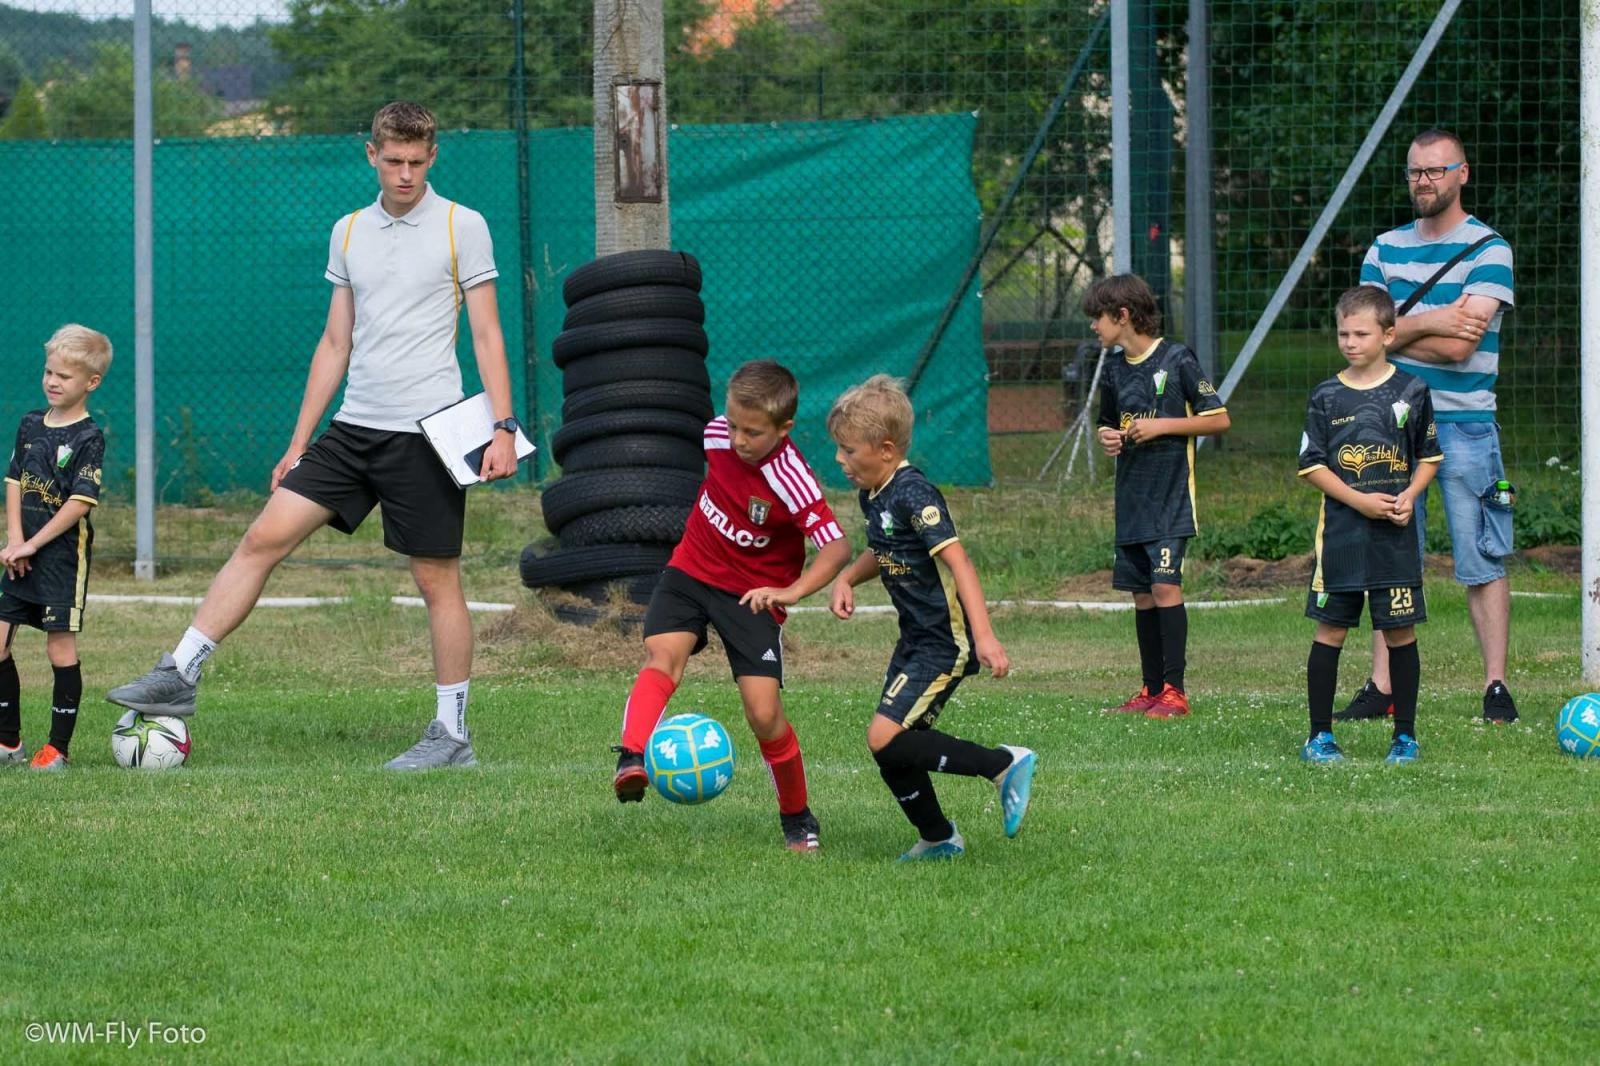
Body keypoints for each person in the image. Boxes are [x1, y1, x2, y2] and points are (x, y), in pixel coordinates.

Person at [106, 101, 522, 769]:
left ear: (433, 157)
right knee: (262, 536)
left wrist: (504, 427)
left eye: (417, 162)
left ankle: (451, 737)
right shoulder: (349, 231)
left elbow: (487, 333)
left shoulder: (461, 225)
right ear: (371, 154)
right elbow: (335, 342)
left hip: (427, 434)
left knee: (435, 581)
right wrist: (298, 442)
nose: (406, 174)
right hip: (352, 429)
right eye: (394, 161)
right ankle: (179, 673)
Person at [611, 360, 852, 852]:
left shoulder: (792, 478)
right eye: (734, 425)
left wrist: (793, 591)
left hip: (753, 596)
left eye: (754, 432)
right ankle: (631, 756)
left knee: (764, 715)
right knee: (663, 655)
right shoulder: (716, 435)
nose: (738, 439)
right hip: (692, 569)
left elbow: (836, 546)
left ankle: (797, 816)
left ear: (784, 429)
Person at [1343, 128, 1518, 724]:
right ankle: (1380, 685)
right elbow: (1364, 340)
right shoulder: (1384, 248)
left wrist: (1400, 327)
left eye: (1435, 171)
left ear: (1462, 173)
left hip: (1467, 427)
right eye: (1415, 172)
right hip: (1392, 429)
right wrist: (1438, 318)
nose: (1424, 182)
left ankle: (1496, 686)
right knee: (1390, 558)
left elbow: (1462, 349)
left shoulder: (1490, 248)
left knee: (1482, 557)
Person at [825, 375, 1035, 861]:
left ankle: (1003, 764)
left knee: (885, 736)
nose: (839, 459)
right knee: (893, 745)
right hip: (914, 641)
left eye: (848, 450)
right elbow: (883, 550)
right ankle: (938, 838)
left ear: (885, 448)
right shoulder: (874, 493)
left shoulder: (914, 493)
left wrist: (985, 638)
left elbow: (959, 561)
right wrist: (846, 580)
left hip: (946, 642)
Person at [1297, 287, 1441, 764]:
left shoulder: (1412, 391)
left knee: (1400, 632)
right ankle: (1320, 736)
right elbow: (1312, 465)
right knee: (1330, 631)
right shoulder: (1325, 394)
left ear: (1388, 334)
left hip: (1393, 539)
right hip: (1340, 537)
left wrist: (1409, 496)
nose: (1351, 342)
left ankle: (1404, 736)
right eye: (1343, 333)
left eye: (1361, 333)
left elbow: (1429, 456)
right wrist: (1360, 501)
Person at [1086, 274, 1230, 719]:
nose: (1094, 327)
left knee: (1165, 586)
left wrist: (1162, 426)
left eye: (1098, 318)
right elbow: (1107, 423)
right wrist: (1108, 437)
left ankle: (1175, 691)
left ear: (1123, 316)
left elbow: (1218, 419)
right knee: (1142, 595)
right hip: (1132, 499)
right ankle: (1150, 689)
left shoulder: (1176, 358)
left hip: (1170, 499)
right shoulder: (1112, 368)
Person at [0, 325, 111, 770]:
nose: (52, 381)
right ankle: (9, 744)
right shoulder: (29, 424)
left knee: (58, 649)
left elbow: (79, 504)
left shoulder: (89, 437)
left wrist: (34, 545)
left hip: (62, 560)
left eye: (64, 376)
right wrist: (14, 541)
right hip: (21, 554)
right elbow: (13, 481)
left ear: (91, 383)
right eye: (49, 371)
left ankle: (57, 750)